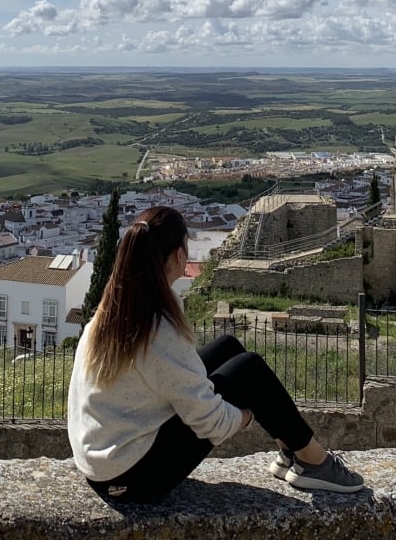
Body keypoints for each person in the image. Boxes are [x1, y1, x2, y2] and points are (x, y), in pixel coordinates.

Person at [67, 205, 364, 501]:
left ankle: (291, 450)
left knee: (229, 348)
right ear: (178, 256)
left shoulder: (116, 308)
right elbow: (210, 423)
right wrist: (248, 414)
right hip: (130, 479)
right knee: (249, 371)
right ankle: (313, 461)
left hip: (103, 462)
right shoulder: (157, 328)